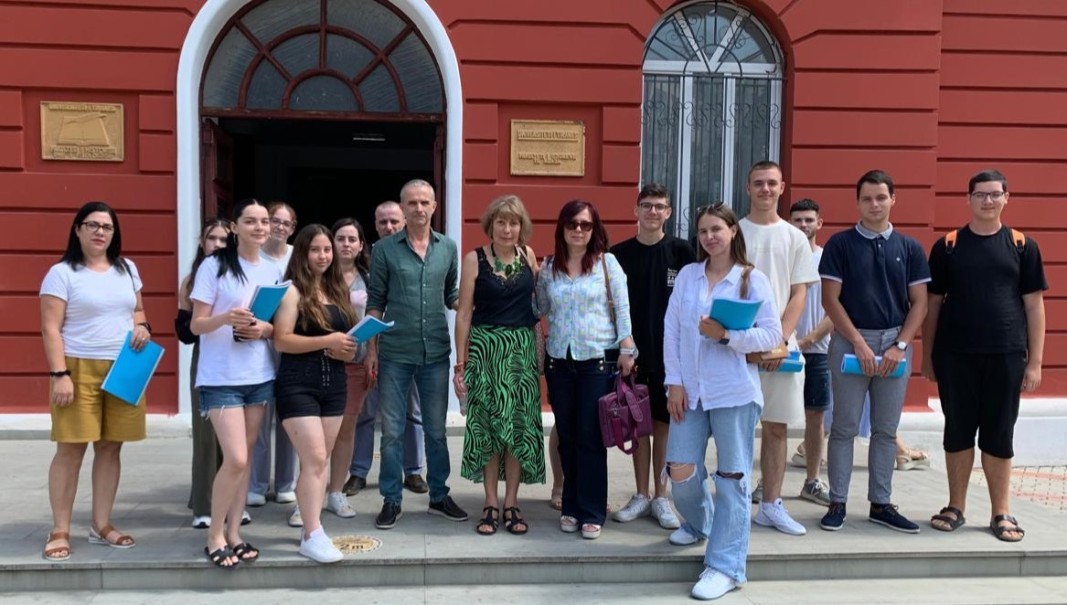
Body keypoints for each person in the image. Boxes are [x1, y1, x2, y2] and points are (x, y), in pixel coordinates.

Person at [664, 202, 782, 601]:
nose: (710, 237)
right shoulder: (688, 276)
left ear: (733, 231)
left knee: (732, 481)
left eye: (716, 229)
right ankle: (700, 523)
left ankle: (725, 566)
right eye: (703, 231)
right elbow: (672, 332)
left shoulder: (751, 280)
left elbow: (771, 336)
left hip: (733, 392)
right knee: (680, 471)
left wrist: (726, 336)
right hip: (690, 392)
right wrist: (674, 382)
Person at [922, 169, 1047, 542]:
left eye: (995, 194)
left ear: (1006, 197)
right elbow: (932, 307)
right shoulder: (948, 246)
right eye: (981, 195)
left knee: (999, 434)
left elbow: (1035, 307)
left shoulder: (1023, 245)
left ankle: (1001, 512)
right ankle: (955, 505)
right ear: (969, 199)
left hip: (1006, 355)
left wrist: (1036, 362)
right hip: (955, 355)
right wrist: (927, 357)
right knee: (957, 431)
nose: (988, 201)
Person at [818, 170, 930, 534]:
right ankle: (837, 501)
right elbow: (830, 300)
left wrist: (900, 345)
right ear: (858, 202)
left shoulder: (910, 248)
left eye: (881, 197)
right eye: (867, 198)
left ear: (892, 199)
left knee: (885, 429)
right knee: (843, 427)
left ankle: (880, 503)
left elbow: (920, 305)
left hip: (894, 344)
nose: (874, 204)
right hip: (851, 341)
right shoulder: (840, 244)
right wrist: (859, 343)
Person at [40, 201, 152, 562]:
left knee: (110, 446)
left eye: (107, 226)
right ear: (78, 230)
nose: (100, 232)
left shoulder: (127, 268)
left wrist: (142, 327)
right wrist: (60, 375)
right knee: (71, 448)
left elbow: (138, 311)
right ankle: (60, 529)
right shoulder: (62, 273)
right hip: (77, 366)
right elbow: (50, 328)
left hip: (124, 365)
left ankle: (101, 524)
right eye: (92, 225)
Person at [365, 180, 464, 529]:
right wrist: (371, 349)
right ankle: (392, 500)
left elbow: (451, 294)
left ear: (435, 206)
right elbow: (376, 300)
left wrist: (475, 308)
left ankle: (439, 495)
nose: (418, 208)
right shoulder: (384, 250)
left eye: (424, 202)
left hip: (436, 351)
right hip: (395, 352)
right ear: (403, 208)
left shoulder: (448, 248)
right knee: (392, 431)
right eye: (412, 203)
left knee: (436, 431)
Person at [536, 200, 637, 540]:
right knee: (568, 436)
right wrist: (531, 274)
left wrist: (628, 349)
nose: (578, 230)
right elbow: (539, 308)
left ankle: (592, 510)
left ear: (595, 229)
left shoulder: (608, 264)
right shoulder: (550, 267)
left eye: (585, 224)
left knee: (591, 437)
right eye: (572, 224)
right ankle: (571, 506)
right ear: (561, 228)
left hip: (597, 360)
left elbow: (622, 309)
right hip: (559, 362)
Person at [190, 198, 282, 568]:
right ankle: (214, 535)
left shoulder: (273, 269)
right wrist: (225, 317)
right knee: (237, 458)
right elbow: (196, 324)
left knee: (244, 462)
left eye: (265, 221)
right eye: (251, 221)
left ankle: (234, 533)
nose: (260, 227)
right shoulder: (214, 266)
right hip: (219, 377)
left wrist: (264, 328)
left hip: (259, 375)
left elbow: (276, 326)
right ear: (235, 227)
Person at [454, 195, 545, 535]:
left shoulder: (528, 256)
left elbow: (539, 302)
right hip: (485, 351)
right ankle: (490, 501)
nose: (508, 229)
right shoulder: (474, 259)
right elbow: (464, 314)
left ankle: (512, 502)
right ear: (490, 225)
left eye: (514, 222)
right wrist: (460, 365)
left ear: (522, 227)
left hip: (520, 353)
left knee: (517, 429)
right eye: (501, 222)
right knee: (490, 429)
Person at [739, 161, 819, 536]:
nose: (765, 189)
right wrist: (742, 340)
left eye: (772, 183)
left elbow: (798, 292)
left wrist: (780, 340)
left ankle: (770, 504)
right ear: (748, 187)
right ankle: (734, 502)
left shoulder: (794, 237)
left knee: (775, 429)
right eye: (759, 183)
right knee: (734, 429)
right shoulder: (733, 231)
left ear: (782, 187)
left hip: (779, 351)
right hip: (736, 349)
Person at [609, 183, 694, 528]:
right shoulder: (618, 255)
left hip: (671, 357)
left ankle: (662, 496)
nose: (653, 212)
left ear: (669, 212)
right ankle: (641, 494)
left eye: (660, 206)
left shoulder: (682, 253)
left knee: (664, 425)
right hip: (632, 355)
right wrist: (621, 349)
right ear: (636, 210)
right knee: (637, 426)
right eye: (646, 205)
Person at [273, 224, 359, 563]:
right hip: (297, 385)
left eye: (327, 250)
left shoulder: (337, 290)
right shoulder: (291, 291)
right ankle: (312, 534)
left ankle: (312, 526)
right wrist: (328, 342)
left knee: (320, 460)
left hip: (334, 385)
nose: (323, 255)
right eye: (315, 250)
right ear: (302, 254)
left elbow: (345, 344)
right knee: (312, 460)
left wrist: (347, 351)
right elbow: (281, 339)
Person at [345, 201, 428, 497]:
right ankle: (357, 472)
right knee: (366, 414)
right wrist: (371, 351)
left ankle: (414, 471)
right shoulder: (370, 260)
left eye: (394, 221)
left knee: (411, 413)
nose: (389, 227)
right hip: (375, 349)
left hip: (408, 347)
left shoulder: (419, 251)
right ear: (375, 225)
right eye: (383, 223)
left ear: (404, 220)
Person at [177, 218, 245, 529]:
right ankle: (203, 504)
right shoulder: (193, 280)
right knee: (206, 436)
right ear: (202, 243)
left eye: (222, 239)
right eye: (211, 239)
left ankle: (233, 503)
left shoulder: (238, 272)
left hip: (240, 357)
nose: (217, 244)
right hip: (207, 359)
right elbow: (186, 333)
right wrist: (214, 317)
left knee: (235, 442)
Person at [248, 202, 298, 511]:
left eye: (284, 222)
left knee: (290, 415)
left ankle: (285, 484)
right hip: (258, 345)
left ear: (292, 228)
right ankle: (256, 484)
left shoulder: (297, 256)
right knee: (260, 416)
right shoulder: (253, 257)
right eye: (273, 221)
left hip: (290, 343)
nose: (278, 227)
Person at [324, 218, 371, 519]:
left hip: (355, 364)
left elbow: (375, 318)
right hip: (321, 364)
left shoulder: (368, 278)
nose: (346, 244)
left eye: (352, 239)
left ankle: (336, 492)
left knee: (345, 430)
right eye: (340, 238)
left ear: (361, 245)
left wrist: (372, 354)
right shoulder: (317, 276)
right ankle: (310, 496)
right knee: (318, 434)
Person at [787, 199, 832, 506]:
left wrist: (809, 339)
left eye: (808, 220)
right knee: (772, 419)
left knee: (815, 418)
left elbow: (838, 308)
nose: (803, 225)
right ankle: (767, 481)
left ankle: (812, 481)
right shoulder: (782, 258)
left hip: (818, 352)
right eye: (797, 220)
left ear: (819, 223)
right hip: (782, 350)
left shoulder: (829, 260)